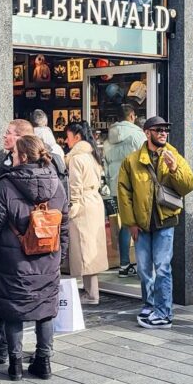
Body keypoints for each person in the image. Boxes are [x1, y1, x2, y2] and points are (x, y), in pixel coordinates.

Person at [0, 135, 69, 380]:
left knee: (12, 311)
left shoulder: (5, 186)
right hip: (48, 259)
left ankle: (15, 365)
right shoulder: (57, 184)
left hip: (13, 261)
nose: (11, 157)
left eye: (14, 154)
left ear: (24, 157)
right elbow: (64, 225)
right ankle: (44, 362)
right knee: (45, 311)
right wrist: (61, 256)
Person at [118, 116, 193, 329]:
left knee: (162, 268)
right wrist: (130, 223)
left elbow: (189, 185)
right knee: (144, 269)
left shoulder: (174, 155)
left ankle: (164, 312)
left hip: (165, 220)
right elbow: (124, 194)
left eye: (165, 130)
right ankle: (149, 303)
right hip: (142, 224)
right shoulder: (132, 161)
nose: (163, 133)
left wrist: (173, 169)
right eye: (158, 129)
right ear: (147, 132)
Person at [64, 121, 109, 305]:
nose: (66, 141)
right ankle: (92, 292)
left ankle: (90, 295)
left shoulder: (76, 158)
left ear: (77, 137)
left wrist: (72, 208)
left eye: (68, 136)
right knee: (91, 249)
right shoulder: (92, 155)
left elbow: (75, 186)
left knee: (83, 249)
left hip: (82, 204)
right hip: (94, 202)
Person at [103, 104, 147, 278]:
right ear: (132, 116)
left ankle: (124, 265)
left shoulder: (108, 139)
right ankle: (143, 264)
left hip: (116, 187)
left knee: (126, 224)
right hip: (136, 186)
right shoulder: (138, 135)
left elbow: (105, 165)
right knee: (139, 223)